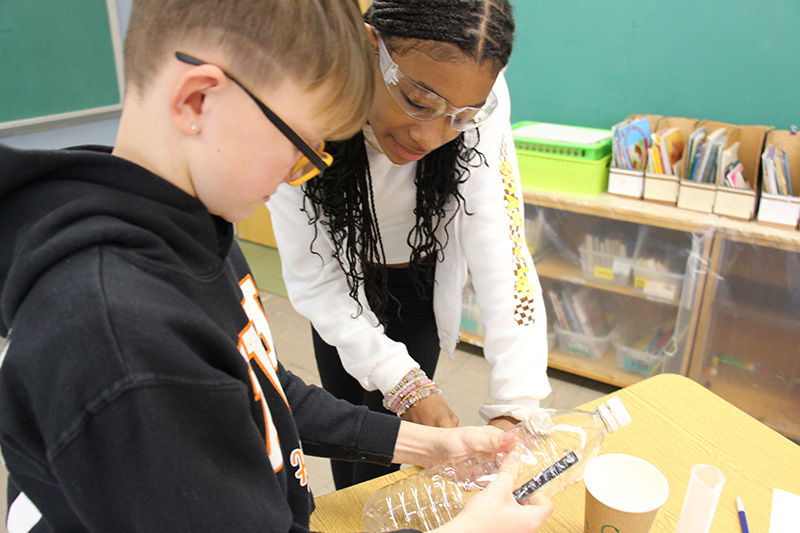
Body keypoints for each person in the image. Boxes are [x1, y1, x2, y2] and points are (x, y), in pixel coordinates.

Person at [0, 0, 554, 531]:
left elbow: (260, 384)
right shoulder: (119, 337)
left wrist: (420, 443)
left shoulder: (194, 228)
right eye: (304, 144)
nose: (305, 170)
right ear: (197, 100)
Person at [267, 0, 552, 489]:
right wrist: (403, 382)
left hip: (418, 279)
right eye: (418, 101)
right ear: (373, 48)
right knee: (350, 441)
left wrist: (516, 404)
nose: (430, 134)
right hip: (341, 284)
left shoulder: (476, 98)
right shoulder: (308, 94)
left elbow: (502, 243)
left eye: (459, 117)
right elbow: (316, 277)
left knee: (395, 467)